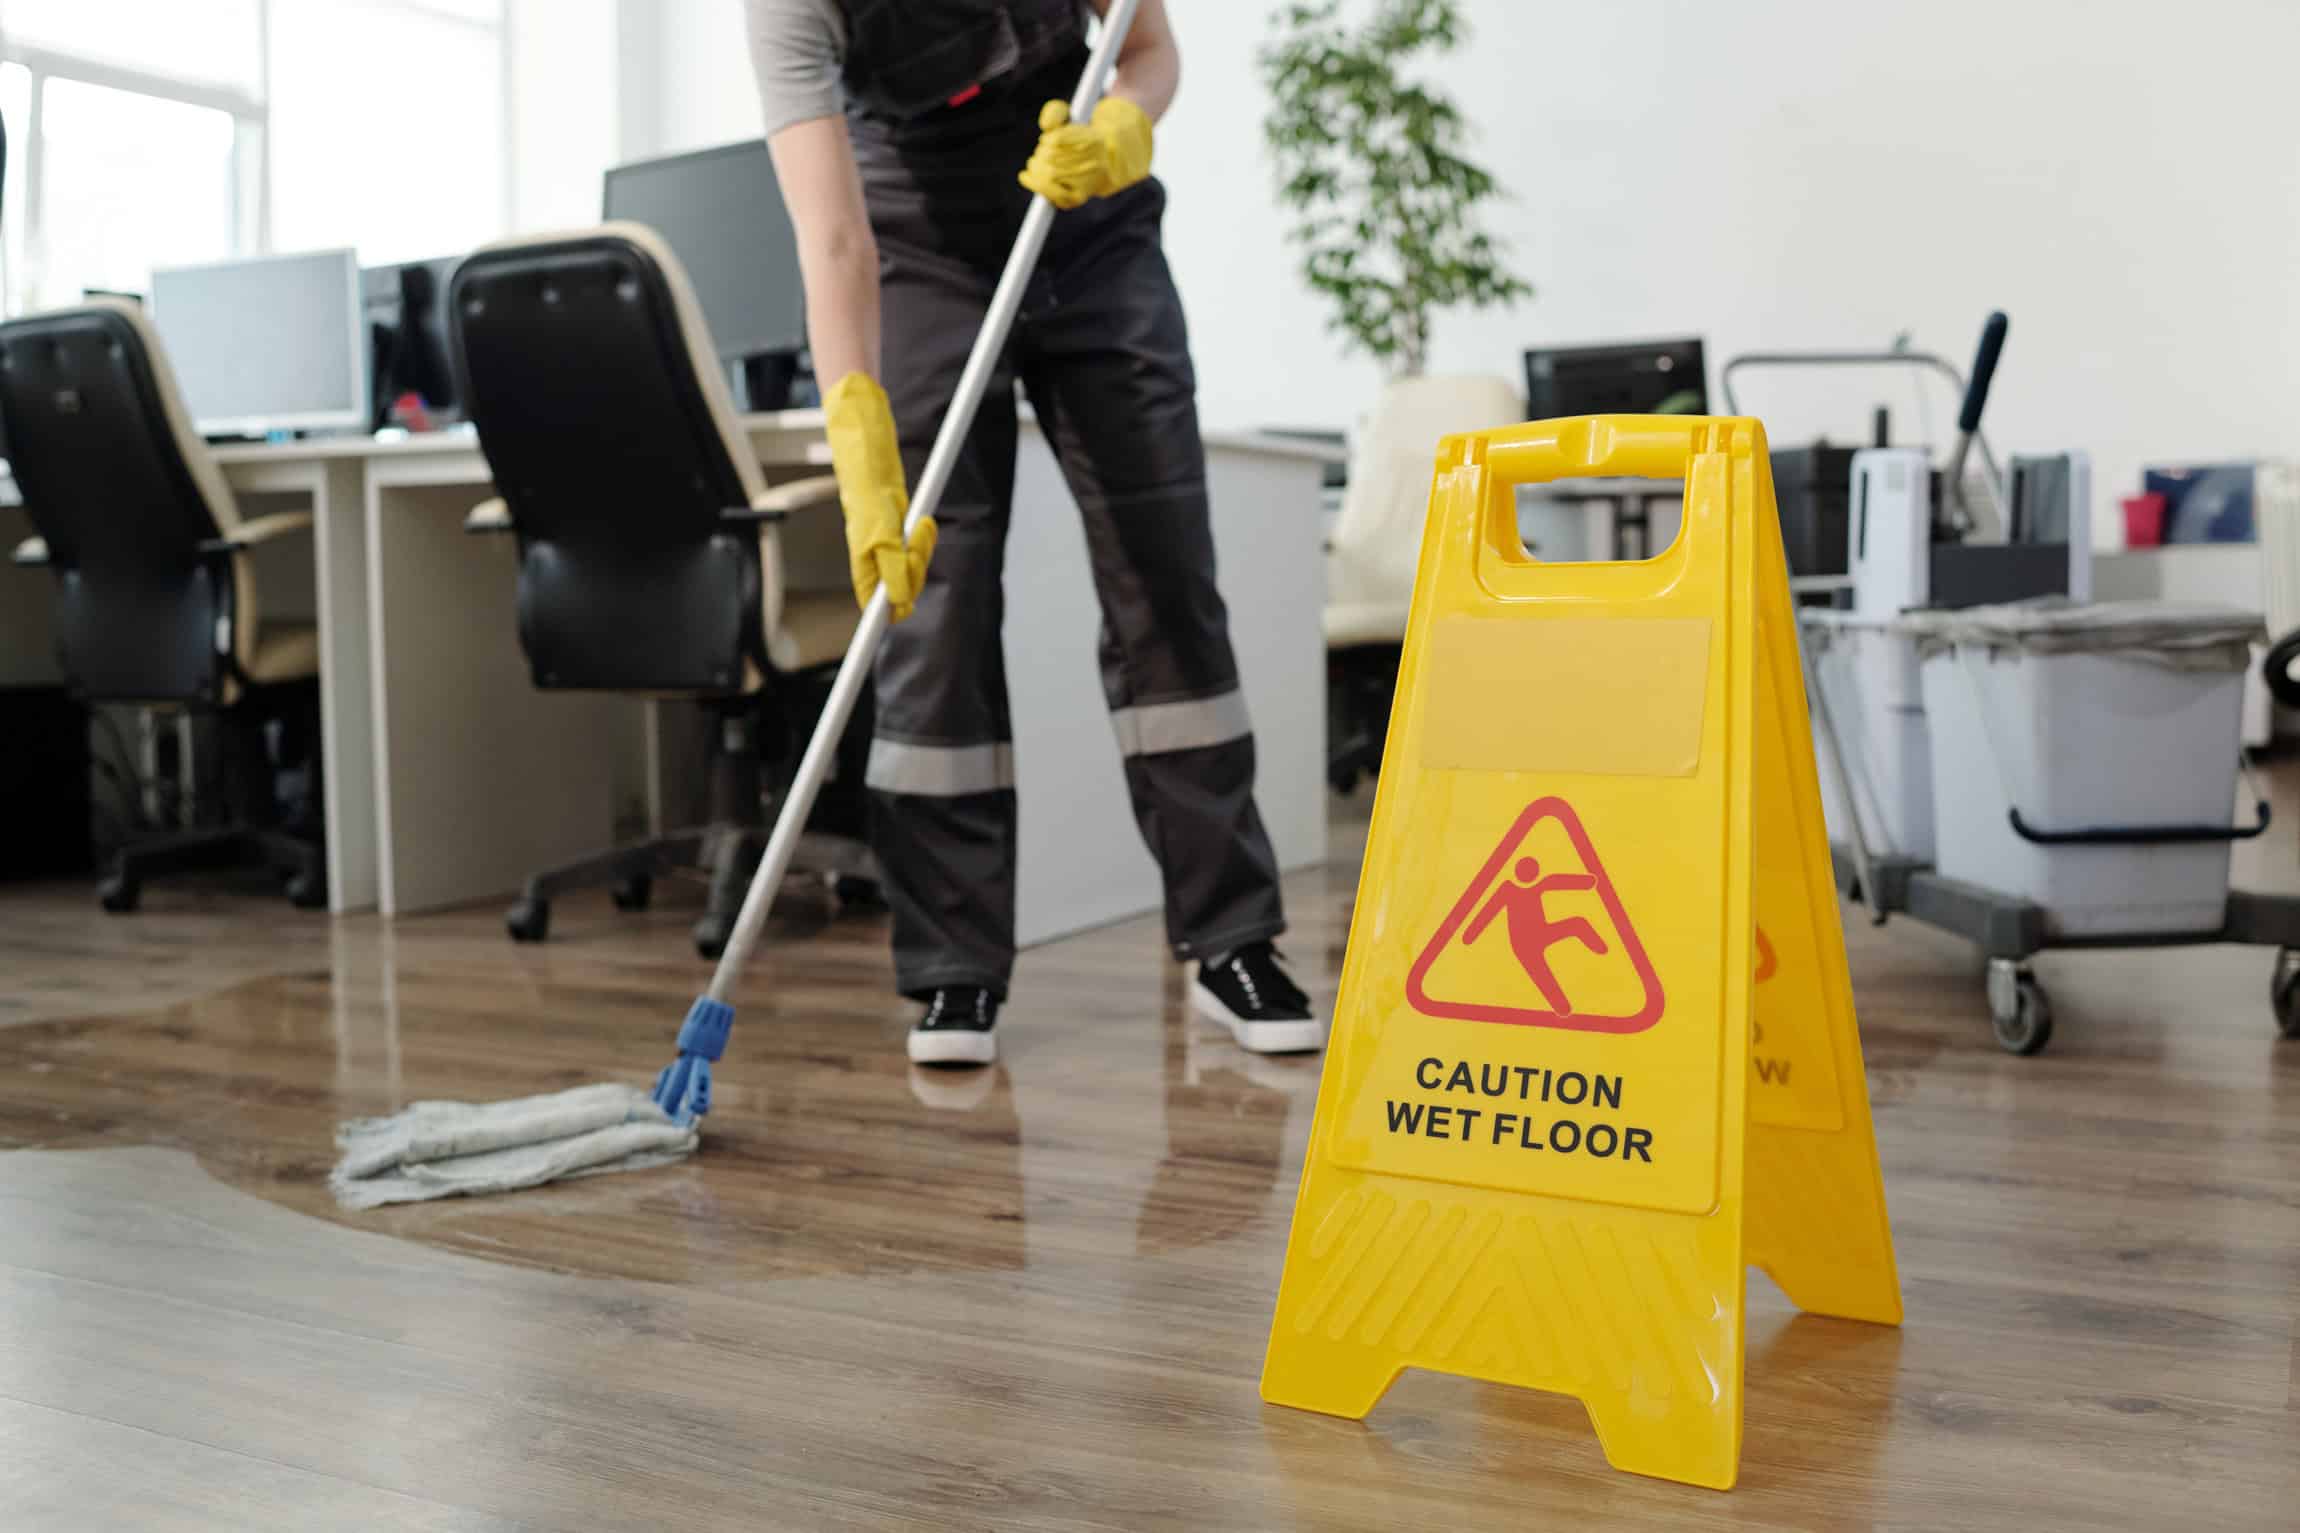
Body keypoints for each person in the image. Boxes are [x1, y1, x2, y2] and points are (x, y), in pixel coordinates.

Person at [747, 0, 1322, 1066]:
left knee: (1163, 576)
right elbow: (832, 238)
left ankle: (1232, 941)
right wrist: (861, 444)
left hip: (1091, 228)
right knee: (938, 598)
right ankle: (952, 968)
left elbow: (1146, 53)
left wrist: (1121, 131)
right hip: (915, 239)